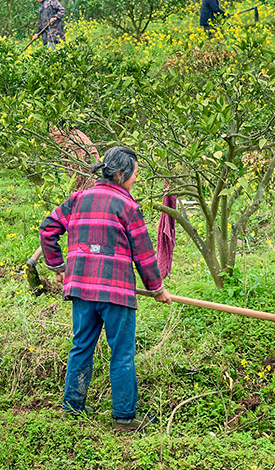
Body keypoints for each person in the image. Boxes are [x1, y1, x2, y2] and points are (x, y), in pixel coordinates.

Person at [39, 146, 170, 431]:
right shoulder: (127, 207)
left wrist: (59, 267)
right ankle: (124, 418)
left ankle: (72, 410)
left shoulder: (78, 199)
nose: (135, 179)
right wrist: (157, 287)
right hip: (116, 292)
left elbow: (47, 228)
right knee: (122, 352)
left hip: (81, 290)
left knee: (81, 347)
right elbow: (144, 253)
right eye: (135, 174)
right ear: (122, 175)